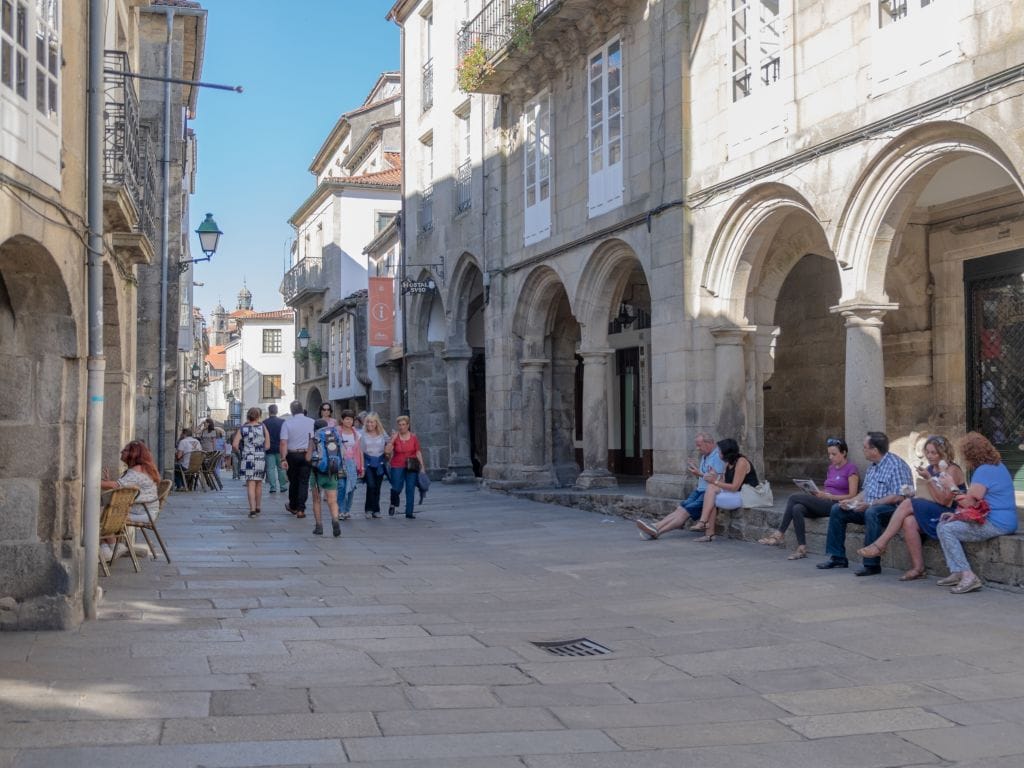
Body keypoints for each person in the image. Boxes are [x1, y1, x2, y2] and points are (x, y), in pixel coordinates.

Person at [856, 434, 965, 580]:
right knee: (909, 521)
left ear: (943, 453)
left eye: (934, 452)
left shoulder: (952, 470)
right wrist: (913, 492)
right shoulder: (930, 468)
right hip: (934, 508)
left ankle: (880, 544)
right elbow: (930, 494)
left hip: (950, 512)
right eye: (927, 452)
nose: (930, 456)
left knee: (907, 503)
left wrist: (928, 480)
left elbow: (945, 501)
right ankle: (918, 568)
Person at [817, 431, 914, 575]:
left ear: (874, 450)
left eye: (865, 447)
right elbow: (866, 492)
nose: (863, 450)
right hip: (870, 506)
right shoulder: (873, 466)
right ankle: (837, 557)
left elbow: (898, 496)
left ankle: (872, 564)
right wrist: (851, 501)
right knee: (838, 510)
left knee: (872, 512)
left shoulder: (896, 466)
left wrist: (871, 504)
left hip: (891, 510)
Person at [934, 432, 1018, 594]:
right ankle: (957, 571)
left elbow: (969, 502)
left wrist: (951, 485)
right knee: (944, 524)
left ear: (970, 454)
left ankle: (968, 576)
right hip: (1003, 519)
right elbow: (977, 502)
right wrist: (958, 516)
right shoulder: (998, 466)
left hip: (997, 523)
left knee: (946, 529)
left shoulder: (984, 471)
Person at [758, 437, 859, 560]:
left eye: (834, 454)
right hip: (823, 500)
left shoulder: (851, 469)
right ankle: (801, 548)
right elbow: (829, 488)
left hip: (835, 504)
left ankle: (779, 533)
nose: (830, 457)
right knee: (797, 508)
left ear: (843, 453)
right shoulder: (831, 469)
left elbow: (853, 495)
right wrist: (817, 493)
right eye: (829, 454)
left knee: (793, 497)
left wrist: (830, 496)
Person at [636, 432, 724, 540]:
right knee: (680, 509)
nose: (697, 448)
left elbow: (717, 480)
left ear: (709, 443)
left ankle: (657, 530)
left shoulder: (717, 457)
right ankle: (655, 527)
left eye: (699, 445)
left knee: (684, 513)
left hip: (707, 493)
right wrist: (695, 470)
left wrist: (699, 473)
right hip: (699, 490)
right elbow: (704, 476)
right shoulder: (705, 456)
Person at [687, 438, 759, 543]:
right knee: (711, 490)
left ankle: (706, 528)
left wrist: (714, 481)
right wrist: (713, 476)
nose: (718, 452)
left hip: (746, 494)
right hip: (735, 493)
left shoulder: (741, 462)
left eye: (719, 450)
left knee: (711, 497)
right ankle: (706, 528)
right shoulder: (728, 463)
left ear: (726, 452)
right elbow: (723, 481)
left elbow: (734, 486)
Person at [100, 440, 160, 562]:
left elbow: (117, 485)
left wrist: (89, 482)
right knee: (102, 513)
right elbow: (122, 485)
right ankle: (111, 548)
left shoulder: (137, 469)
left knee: (100, 515)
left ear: (134, 453)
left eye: (126, 450)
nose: (122, 451)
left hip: (142, 513)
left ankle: (110, 548)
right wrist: (108, 482)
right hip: (144, 511)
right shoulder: (142, 468)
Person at [279, 400, 316, 519]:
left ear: (291, 411)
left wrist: (283, 458)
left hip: (292, 455)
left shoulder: (287, 423)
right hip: (307, 454)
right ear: (302, 409)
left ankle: (293, 506)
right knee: (304, 482)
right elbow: (315, 440)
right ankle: (301, 509)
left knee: (293, 482)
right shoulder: (312, 422)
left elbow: (283, 442)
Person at [306, 418, 342, 537]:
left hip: (317, 473)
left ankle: (319, 526)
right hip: (332, 471)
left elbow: (308, 458)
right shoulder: (334, 436)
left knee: (317, 500)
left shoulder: (314, 439)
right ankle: (335, 521)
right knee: (332, 500)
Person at [385, 415, 425, 519]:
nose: (401, 427)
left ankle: (409, 512)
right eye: (399, 425)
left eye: (403, 424)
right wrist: (392, 440)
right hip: (397, 465)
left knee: (410, 488)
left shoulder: (413, 437)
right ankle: (393, 503)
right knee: (396, 487)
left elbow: (418, 452)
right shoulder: (395, 437)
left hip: (411, 465)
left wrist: (422, 467)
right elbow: (387, 451)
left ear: (408, 425)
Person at [233, 407, 269, 517]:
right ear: (258, 416)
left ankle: (252, 509)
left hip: (247, 458)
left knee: (250, 485)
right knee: (259, 483)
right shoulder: (262, 427)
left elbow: (234, 445)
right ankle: (258, 506)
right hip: (260, 457)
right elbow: (267, 446)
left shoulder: (242, 428)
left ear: (248, 416)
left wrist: (241, 452)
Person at [337, 409, 364, 520]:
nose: (349, 421)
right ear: (342, 420)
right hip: (340, 464)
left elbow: (360, 451)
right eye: (346, 419)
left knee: (352, 488)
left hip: (353, 463)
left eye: (351, 419)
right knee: (342, 486)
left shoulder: (357, 434)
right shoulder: (337, 432)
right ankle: (341, 510)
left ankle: (347, 510)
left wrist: (362, 467)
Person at [360, 412, 389, 519]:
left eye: (372, 422)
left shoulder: (382, 433)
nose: (369, 424)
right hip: (367, 462)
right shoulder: (362, 434)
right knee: (371, 485)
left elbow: (390, 442)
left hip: (380, 462)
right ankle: (368, 509)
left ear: (376, 423)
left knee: (377, 487)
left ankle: (376, 510)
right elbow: (360, 449)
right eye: (368, 422)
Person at [262, 404, 288, 494]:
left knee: (270, 468)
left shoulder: (264, 422)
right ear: (276, 411)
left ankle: (273, 487)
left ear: (269, 412)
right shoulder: (282, 421)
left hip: (269, 448)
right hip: (280, 448)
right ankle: (283, 486)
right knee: (281, 468)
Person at [197, 417, 224, 485]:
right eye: (204, 423)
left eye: (205, 423)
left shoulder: (213, 431)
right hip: (202, 450)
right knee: (202, 465)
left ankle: (209, 479)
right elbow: (196, 431)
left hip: (209, 450)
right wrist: (201, 424)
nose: (204, 424)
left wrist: (214, 451)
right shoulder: (203, 430)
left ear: (209, 424)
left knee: (207, 466)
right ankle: (204, 480)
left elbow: (214, 442)